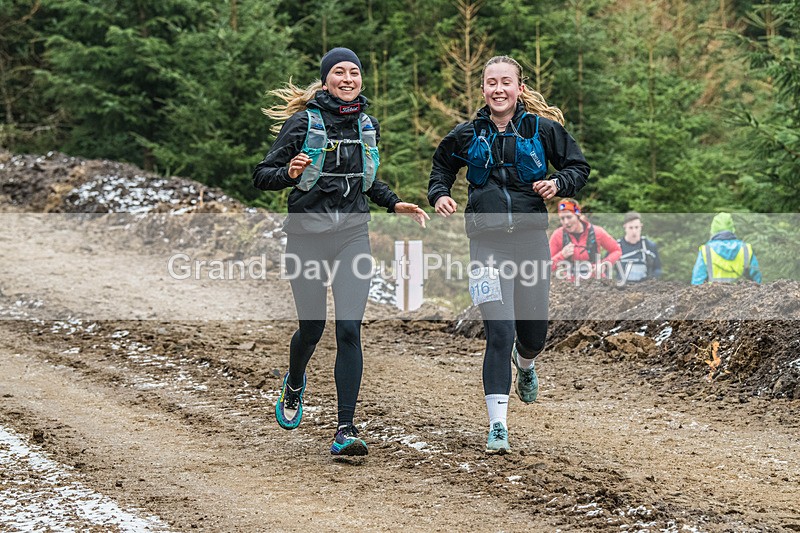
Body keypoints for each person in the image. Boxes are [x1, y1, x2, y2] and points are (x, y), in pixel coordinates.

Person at [253, 47, 428, 456]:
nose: (347, 79)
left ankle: (344, 429)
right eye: (339, 72)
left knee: (349, 328)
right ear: (326, 79)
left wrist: (394, 202)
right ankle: (295, 382)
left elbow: (365, 181)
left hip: (353, 236)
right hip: (307, 238)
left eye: (354, 72)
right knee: (312, 328)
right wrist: (288, 173)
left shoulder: (368, 125)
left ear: (361, 79)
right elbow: (262, 176)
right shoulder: (303, 122)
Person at [427, 55, 591, 454]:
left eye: (505, 82)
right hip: (486, 244)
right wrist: (440, 194)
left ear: (519, 88)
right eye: (490, 83)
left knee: (533, 335)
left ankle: (528, 363)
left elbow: (578, 168)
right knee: (499, 333)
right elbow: (440, 170)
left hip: (531, 240)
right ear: (482, 89)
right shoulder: (466, 135)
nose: (498, 90)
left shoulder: (542, 129)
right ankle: (498, 425)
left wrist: (558, 183)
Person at [549, 199, 621, 281]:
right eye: (562, 218)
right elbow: (547, 266)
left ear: (577, 215)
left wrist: (604, 264)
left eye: (569, 217)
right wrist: (562, 255)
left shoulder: (597, 232)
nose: (566, 222)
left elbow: (616, 250)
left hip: (596, 281)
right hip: (570, 285)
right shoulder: (558, 235)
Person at [692, 212, 761, 284]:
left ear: (713, 229)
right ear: (732, 229)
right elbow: (756, 280)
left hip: (713, 294)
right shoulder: (745, 249)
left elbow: (697, 281)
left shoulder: (706, 250)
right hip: (743, 294)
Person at [615, 211, 662, 283]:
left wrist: (652, 280)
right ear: (625, 227)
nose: (634, 231)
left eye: (637, 227)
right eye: (631, 228)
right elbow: (605, 267)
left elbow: (658, 268)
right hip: (621, 288)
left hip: (644, 288)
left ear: (641, 226)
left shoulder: (649, 246)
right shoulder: (616, 246)